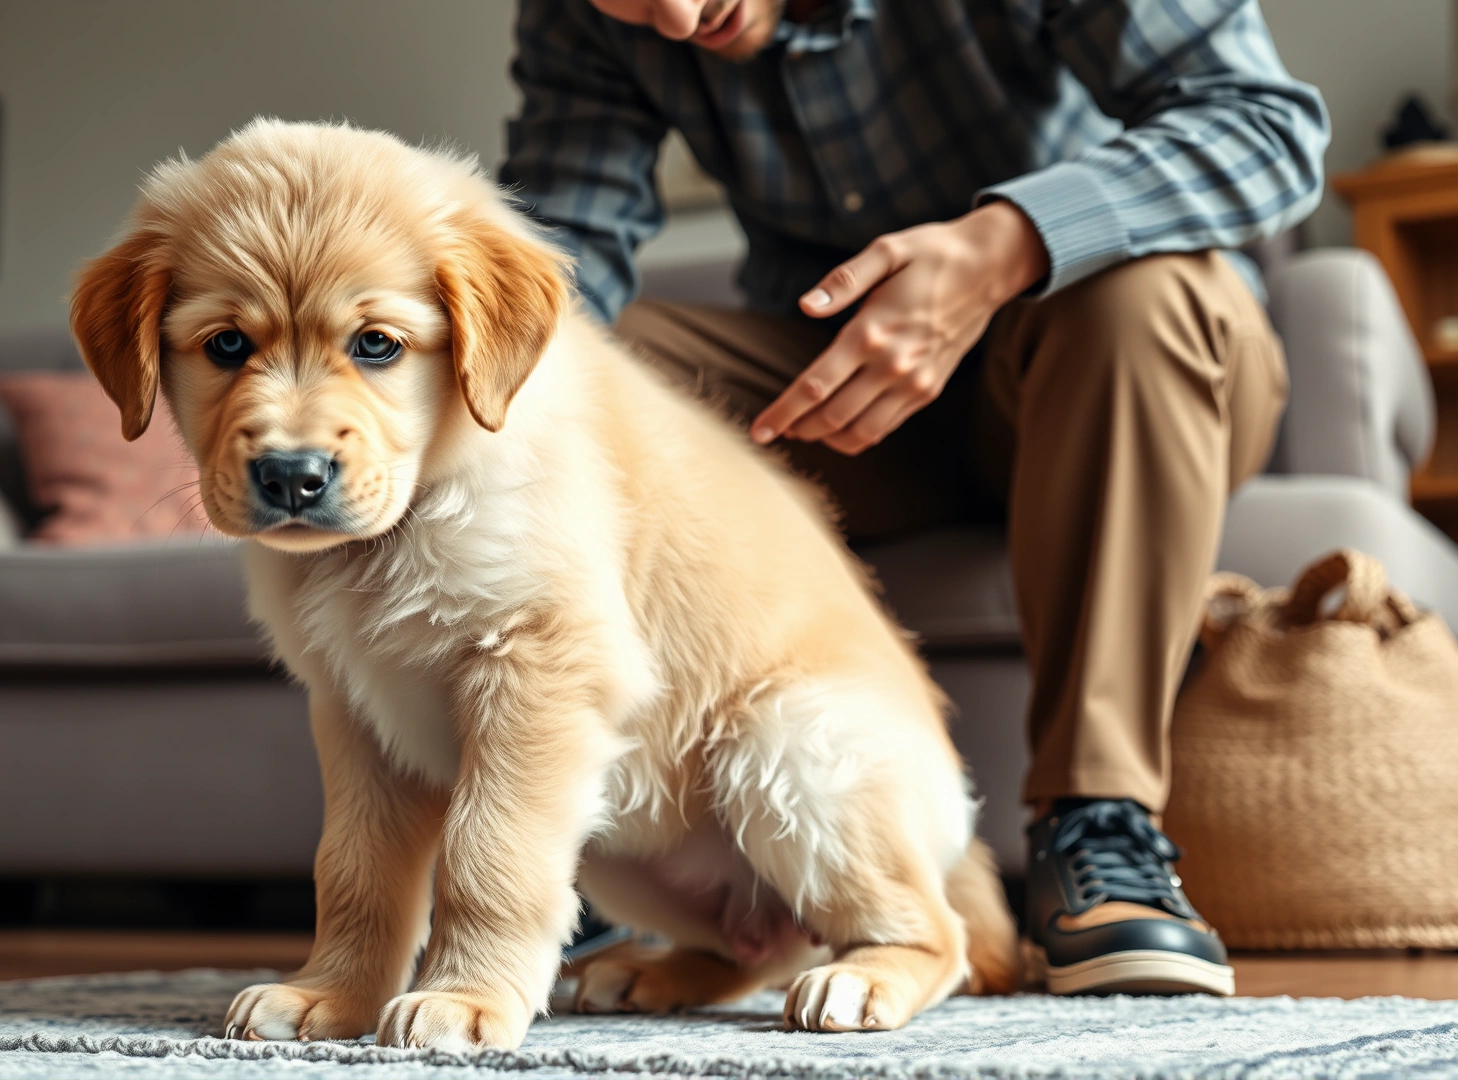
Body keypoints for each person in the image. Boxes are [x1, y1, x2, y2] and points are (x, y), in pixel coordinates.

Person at [499, 0, 1328, 996]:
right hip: (842, 399)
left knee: (1137, 300)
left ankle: (1097, 825)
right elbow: (563, 270)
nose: (670, 17)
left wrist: (1002, 246)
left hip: (1111, 366)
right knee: (556, 380)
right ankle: (599, 853)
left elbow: (1267, 122)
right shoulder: (584, 19)